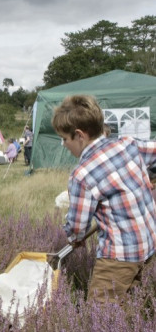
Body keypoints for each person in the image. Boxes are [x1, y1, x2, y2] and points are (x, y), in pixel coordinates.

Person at [52, 94, 156, 305]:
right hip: (148, 244)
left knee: (101, 313)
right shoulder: (128, 144)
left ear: (79, 135)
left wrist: (74, 237)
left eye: (65, 138)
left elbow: (77, 227)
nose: (64, 144)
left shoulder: (82, 174)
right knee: (128, 307)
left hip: (119, 257)